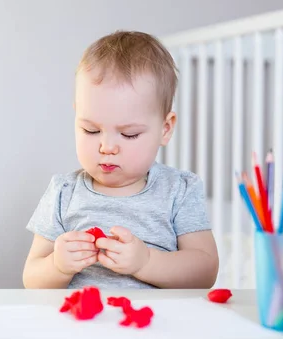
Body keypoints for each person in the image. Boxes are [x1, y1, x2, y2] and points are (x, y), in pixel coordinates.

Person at [22, 30, 219, 289]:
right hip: (80, 323)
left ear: (165, 128)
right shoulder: (63, 192)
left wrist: (146, 262)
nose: (107, 147)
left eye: (129, 134)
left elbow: (205, 271)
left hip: (154, 324)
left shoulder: (178, 190)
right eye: (91, 130)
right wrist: (57, 265)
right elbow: (31, 279)